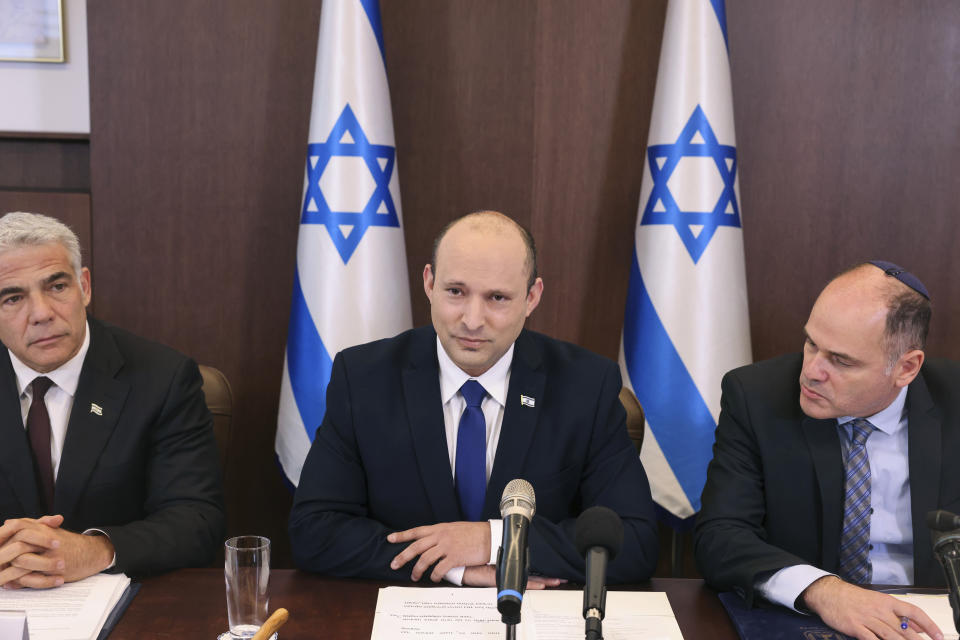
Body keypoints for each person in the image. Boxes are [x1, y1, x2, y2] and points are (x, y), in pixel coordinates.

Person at [289, 211, 658, 586]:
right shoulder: (364, 377)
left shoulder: (585, 386)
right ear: (429, 283)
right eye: (456, 292)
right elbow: (314, 531)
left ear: (532, 297)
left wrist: (493, 540)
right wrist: (456, 568)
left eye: (497, 297)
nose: (472, 319)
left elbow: (636, 543)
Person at [695, 261, 957, 640]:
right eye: (811, 343)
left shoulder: (956, 403)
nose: (812, 371)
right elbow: (719, 538)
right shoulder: (756, 397)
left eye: (841, 360)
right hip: (802, 623)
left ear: (906, 368)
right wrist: (826, 592)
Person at [0, 211, 224, 588]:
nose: (41, 314)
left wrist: (96, 550)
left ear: (84, 286)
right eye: (12, 298)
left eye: (57, 287)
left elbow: (197, 520)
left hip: (127, 606)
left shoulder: (162, 379)